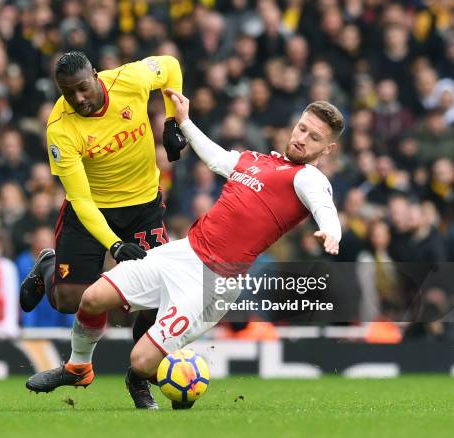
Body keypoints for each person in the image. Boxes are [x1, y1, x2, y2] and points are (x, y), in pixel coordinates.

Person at [25, 89, 343, 410]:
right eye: (302, 128)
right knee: (92, 299)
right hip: (182, 254)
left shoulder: (308, 178)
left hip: (212, 285)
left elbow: (322, 204)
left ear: (327, 148)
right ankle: (79, 366)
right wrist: (185, 121)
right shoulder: (258, 161)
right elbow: (217, 158)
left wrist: (331, 230)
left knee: (142, 361)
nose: (302, 138)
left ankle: (138, 379)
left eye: (314, 137)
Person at [19, 51, 188, 406]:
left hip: (143, 208)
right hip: (91, 212)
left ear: (95, 76)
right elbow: (79, 199)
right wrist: (113, 245)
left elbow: (170, 66)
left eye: (82, 88)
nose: (78, 99)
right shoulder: (60, 127)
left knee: (157, 299)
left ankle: (139, 379)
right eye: (68, 93)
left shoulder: (131, 80)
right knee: (69, 301)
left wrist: (172, 123)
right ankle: (48, 266)